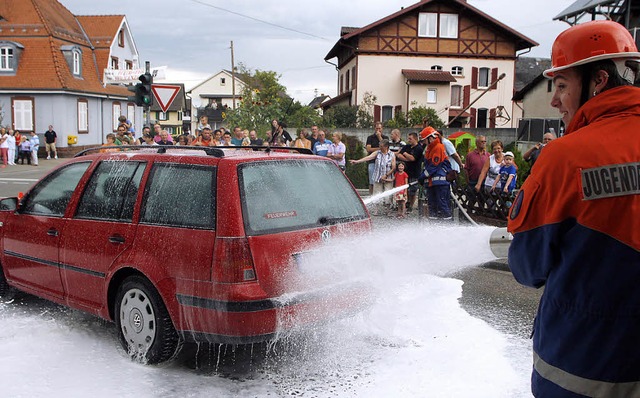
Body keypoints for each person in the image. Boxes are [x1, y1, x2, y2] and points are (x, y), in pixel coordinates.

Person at [508, 20, 640, 397]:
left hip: (579, 367)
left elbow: (527, 268)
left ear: (598, 80)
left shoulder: (565, 158)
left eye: (562, 86)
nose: (554, 100)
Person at [350, 139, 395, 216]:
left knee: (388, 194)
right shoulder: (377, 153)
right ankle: (376, 210)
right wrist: (357, 161)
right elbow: (368, 158)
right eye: (379, 146)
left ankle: (388, 210)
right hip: (378, 177)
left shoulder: (392, 154)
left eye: (381, 146)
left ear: (386, 146)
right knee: (376, 193)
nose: (380, 148)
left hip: (388, 178)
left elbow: (393, 167)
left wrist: (386, 175)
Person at [418, 128, 452, 220]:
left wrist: (423, 176)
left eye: (425, 139)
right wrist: (423, 177)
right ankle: (434, 228)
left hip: (440, 183)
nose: (424, 142)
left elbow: (434, 165)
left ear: (430, 138)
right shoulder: (429, 148)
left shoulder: (438, 147)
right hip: (432, 183)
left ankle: (449, 228)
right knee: (432, 206)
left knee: (442, 204)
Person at [396, 132, 423, 213]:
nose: (409, 140)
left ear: (415, 139)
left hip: (415, 172)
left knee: (413, 191)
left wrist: (405, 154)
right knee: (406, 189)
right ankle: (406, 203)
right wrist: (406, 158)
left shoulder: (419, 148)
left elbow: (412, 158)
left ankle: (411, 205)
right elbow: (398, 155)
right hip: (406, 172)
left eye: (410, 139)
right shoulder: (407, 146)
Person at [365, 122, 389, 194]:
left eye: (379, 128)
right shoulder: (370, 138)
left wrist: (379, 137)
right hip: (372, 161)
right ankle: (371, 196)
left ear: (382, 129)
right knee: (372, 181)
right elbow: (368, 149)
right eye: (377, 128)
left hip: (383, 163)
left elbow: (386, 148)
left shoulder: (385, 138)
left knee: (382, 181)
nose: (378, 130)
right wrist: (379, 149)